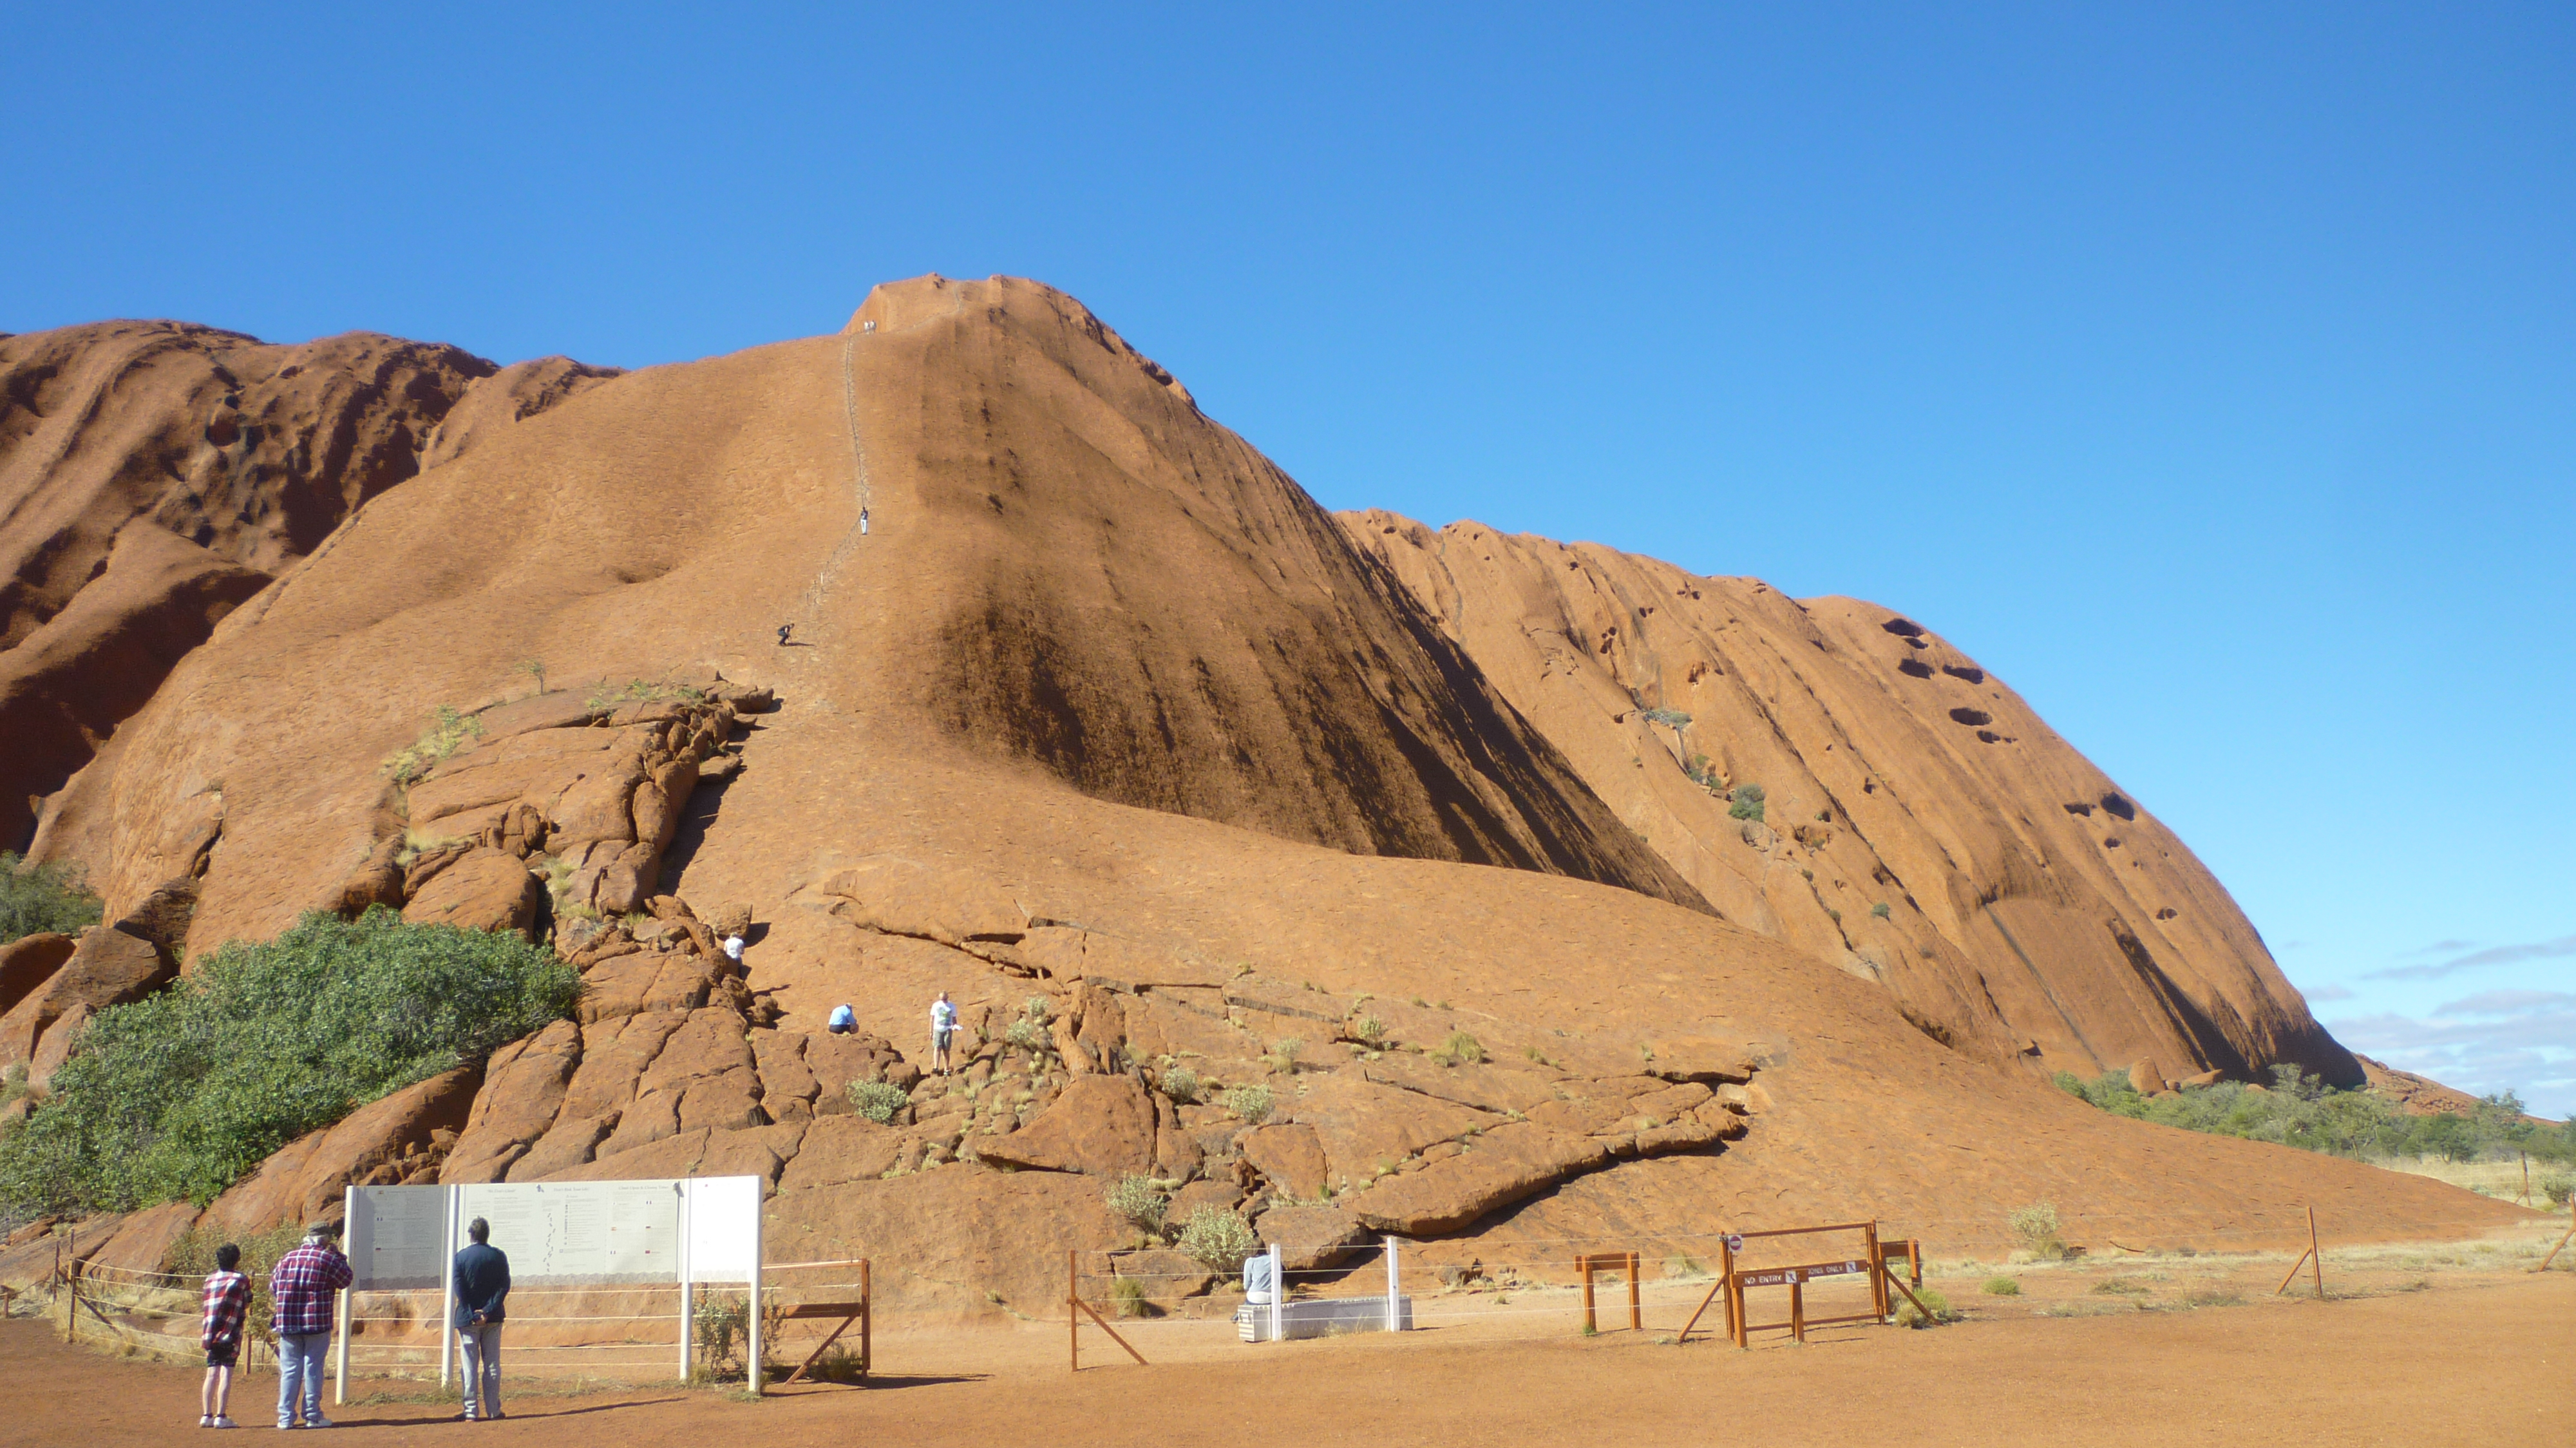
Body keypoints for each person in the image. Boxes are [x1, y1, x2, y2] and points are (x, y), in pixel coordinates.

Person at [268, 1221, 351, 1430]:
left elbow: (273, 1287)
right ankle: (312, 1416)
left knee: (289, 1369)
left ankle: (285, 1418)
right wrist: (339, 1256)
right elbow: (346, 1280)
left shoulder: (287, 1258)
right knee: (313, 1367)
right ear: (325, 1240)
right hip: (316, 1322)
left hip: (287, 1322)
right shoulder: (327, 1258)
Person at [451, 1217, 511, 1422]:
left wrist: (472, 1313)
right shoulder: (498, 1256)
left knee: (469, 1365)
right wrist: (487, 1311)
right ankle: (493, 1410)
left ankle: (470, 1411)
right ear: (487, 1234)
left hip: (467, 1321)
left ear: (471, 1234)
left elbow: (460, 1289)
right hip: (493, 1319)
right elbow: (504, 1286)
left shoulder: (461, 1257)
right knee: (492, 1364)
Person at [198, 1243, 250, 1429]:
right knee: (226, 1372)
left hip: (210, 1332)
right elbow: (248, 1300)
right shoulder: (241, 1279)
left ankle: (206, 1415)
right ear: (237, 1260)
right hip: (230, 1332)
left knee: (211, 1373)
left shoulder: (209, 1279)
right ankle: (221, 1416)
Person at [929, 991, 958, 1076]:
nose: (944, 1001)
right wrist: (930, 1032)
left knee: (946, 1049)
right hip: (937, 1029)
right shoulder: (936, 1005)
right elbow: (932, 1018)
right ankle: (936, 1067)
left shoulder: (952, 1006)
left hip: (948, 1029)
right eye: (942, 999)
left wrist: (955, 1026)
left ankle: (946, 1069)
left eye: (945, 999)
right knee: (937, 1047)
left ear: (947, 998)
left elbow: (954, 1018)